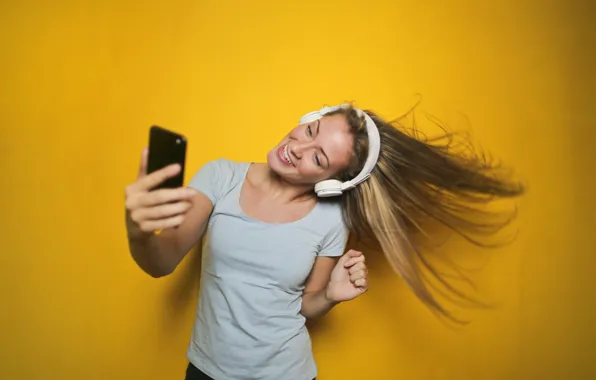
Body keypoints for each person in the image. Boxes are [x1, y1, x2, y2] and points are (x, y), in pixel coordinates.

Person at [124, 103, 524, 380]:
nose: (297, 147)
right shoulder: (220, 176)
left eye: (318, 158)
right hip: (206, 371)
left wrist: (331, 294)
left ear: (332, 183)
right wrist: (139, 229)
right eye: (310, 130)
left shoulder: (331, 220)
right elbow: (161, 262)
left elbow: (306, 305)